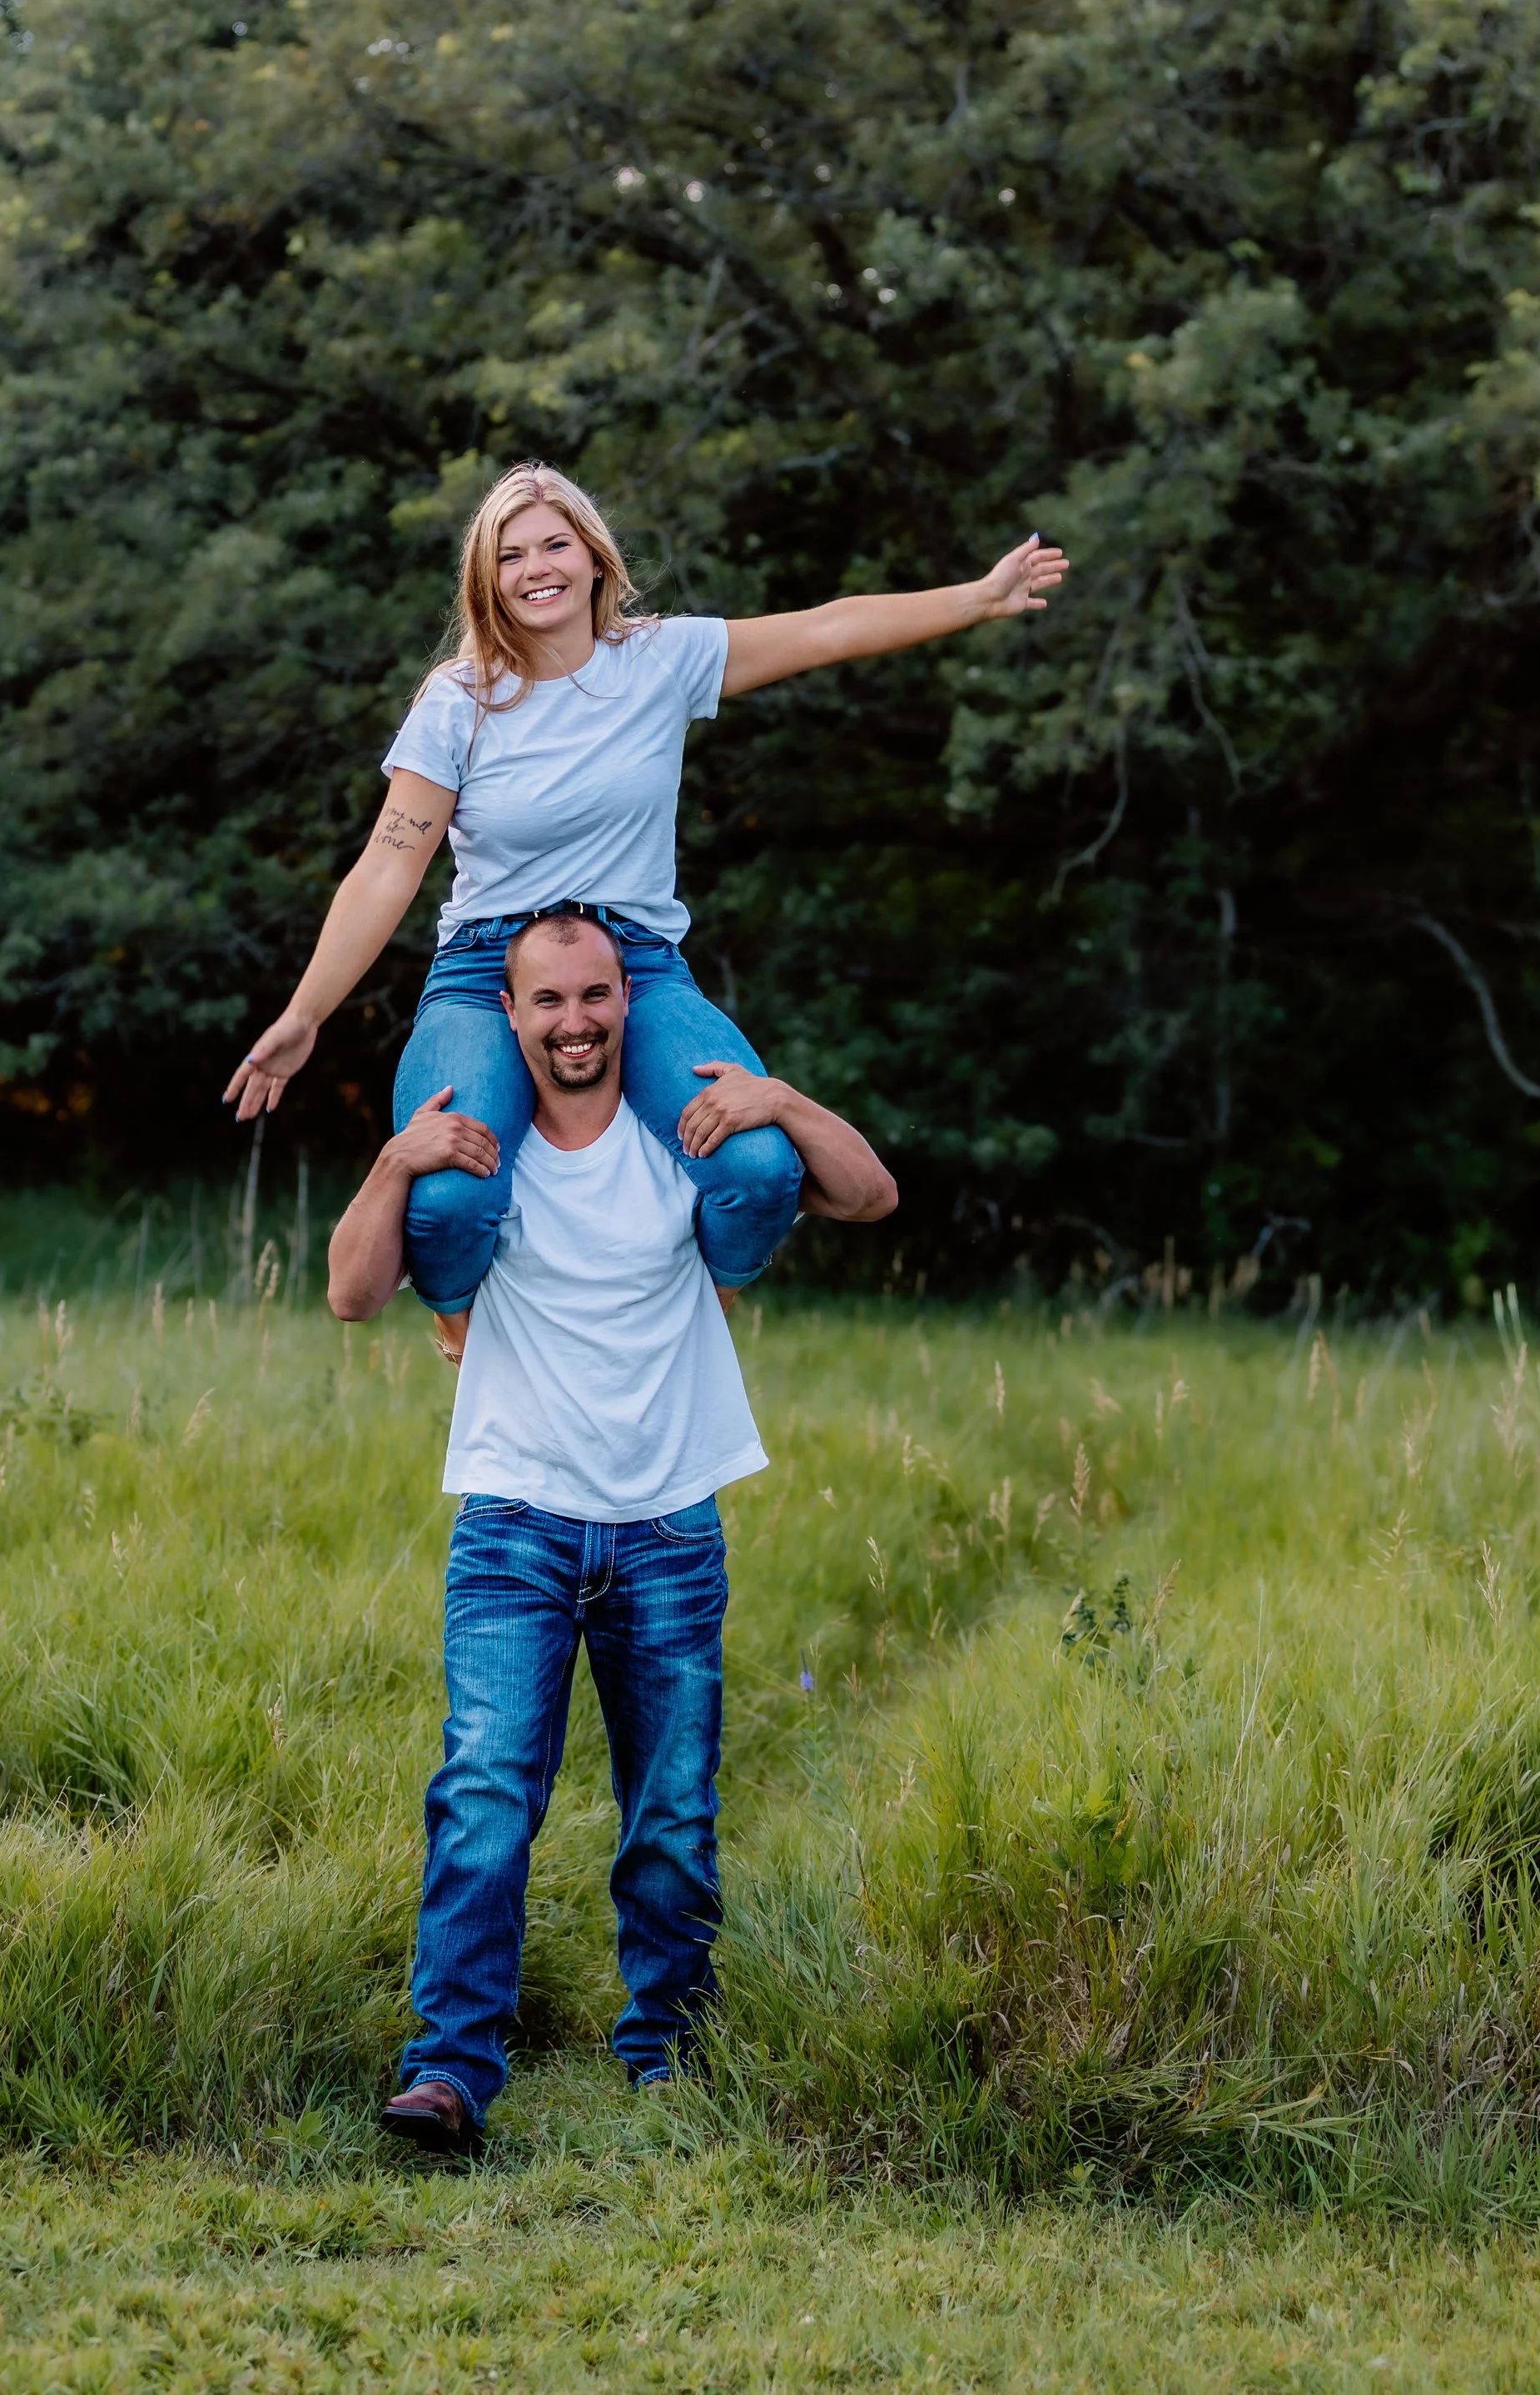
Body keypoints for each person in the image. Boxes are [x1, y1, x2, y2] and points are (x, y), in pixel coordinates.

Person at [229, 464, 1064, 1312]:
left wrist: (977, 599)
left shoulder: (662, 659)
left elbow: (824, 630)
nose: (535, 568)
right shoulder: (459, 702)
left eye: (554, 544)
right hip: (489, 976)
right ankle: (456, 1313)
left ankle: (715, 1288)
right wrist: (306, 1014)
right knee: (447, 1199)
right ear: (487, 581)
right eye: (510, 555)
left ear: (595, 558)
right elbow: (388, 864)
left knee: (758, 1166)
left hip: (636, 967)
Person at [325, 908, 895, 2150]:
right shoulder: (481, 1153)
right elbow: (350, 1294)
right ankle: (451, 2068)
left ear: (626, 1000)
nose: (576, 1022)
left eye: (595, 996)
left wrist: (782, 1101)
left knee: (673, 1811)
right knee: (484, 1796)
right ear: (511, 1013)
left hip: (666, 1527)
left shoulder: (678, 1139)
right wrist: (389, 1161)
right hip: (516, 1523)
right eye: (548, 1002)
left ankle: (670, 2054)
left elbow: (870, 1192)